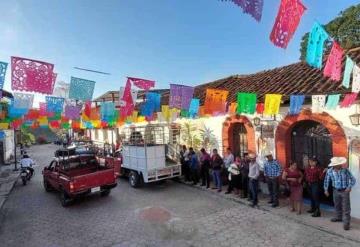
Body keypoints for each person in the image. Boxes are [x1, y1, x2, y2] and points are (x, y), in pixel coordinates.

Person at [324, 157, 356, 230]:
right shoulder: (329, 171)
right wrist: (325, 190)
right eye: (338, 164)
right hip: (335, 190)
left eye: (340, 164)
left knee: (346, 208)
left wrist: (349, 187)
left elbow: (353, 179)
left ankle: (346, 223)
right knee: (337, 205)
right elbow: (326, 181)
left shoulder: (345, 170)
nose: (340, 165)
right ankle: (338, 217)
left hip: (345, 191)